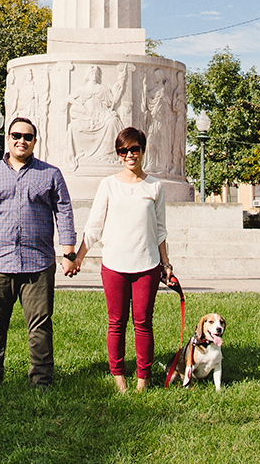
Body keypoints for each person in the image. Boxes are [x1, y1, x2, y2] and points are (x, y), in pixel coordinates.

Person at [0, 116, 77, 389]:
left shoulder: (50, 174)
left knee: (40, 325)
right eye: (16, 135)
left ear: (35, 142)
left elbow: (64, 212)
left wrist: (68, 252)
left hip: (38, 262)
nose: (21, 141)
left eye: (27, 137)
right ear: (8, 138)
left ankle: (42, 381)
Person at [75, 126, 172, 393]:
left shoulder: (155, 186)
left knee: (143, 322)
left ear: (142, 150)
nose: (129, 155)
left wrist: (166, 264)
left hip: (147, 264)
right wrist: (78, 258)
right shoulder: (108, 185)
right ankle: (118, 375)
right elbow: (94, 227)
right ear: (118, 154)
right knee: (116, 322)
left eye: (134, 149)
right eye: (123, 151)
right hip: (114, 264)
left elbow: (160, 229)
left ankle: (143, 378)